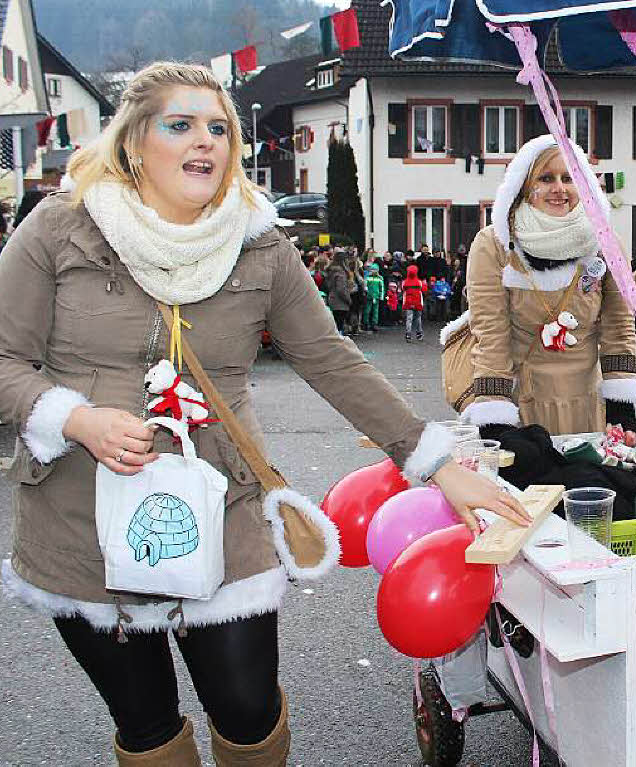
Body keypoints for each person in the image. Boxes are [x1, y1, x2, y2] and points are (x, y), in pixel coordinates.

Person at [0, 62, 529, 767]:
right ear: (132, 144)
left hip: (225, 507)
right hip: (80, 519)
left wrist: (434, 462)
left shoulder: (259, 244)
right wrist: (74, 417)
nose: (206, 142)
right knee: (146, 717)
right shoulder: (60, 228)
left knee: (248, 706)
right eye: (180, 125)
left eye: (219, 128)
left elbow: (333, 359)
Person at [463, 134, 636, 437]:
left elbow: (619, 324)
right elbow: (490, 334)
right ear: (525, 188)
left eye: (569, 178)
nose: (559, 189)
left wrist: (621, 405)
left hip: (588, 402)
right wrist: (494, 414)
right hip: (524, 403)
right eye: (546, 178)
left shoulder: (604, 241)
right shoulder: (494, 244)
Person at [326, 249, 352, 334]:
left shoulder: (331, 271)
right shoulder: (340, 273)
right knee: (339, 326)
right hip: (340, 302)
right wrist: (348, 299)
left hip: (332, 299)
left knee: (335, 326)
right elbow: (341, 289)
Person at [402, 262, 426, 342]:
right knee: (418, 318)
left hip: (408, 302)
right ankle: (419, 334)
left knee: (409, 319)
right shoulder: (419, 282)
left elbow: (403, 290)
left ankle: (408, 334)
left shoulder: (405, 282)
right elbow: (424, 290)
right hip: (418, 302)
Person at [363, 262, 384, 332]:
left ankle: (374, 324)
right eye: (372, 270)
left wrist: (381, 296)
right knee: (367, 310)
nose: (373, 271)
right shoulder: (368, 278)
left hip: (376, 296)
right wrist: (365, 290)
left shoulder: (380, 278)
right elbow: (365, 285)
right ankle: (366, 323)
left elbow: (382, 288)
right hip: (369, 296)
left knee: (375, 311)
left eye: (375, 270)